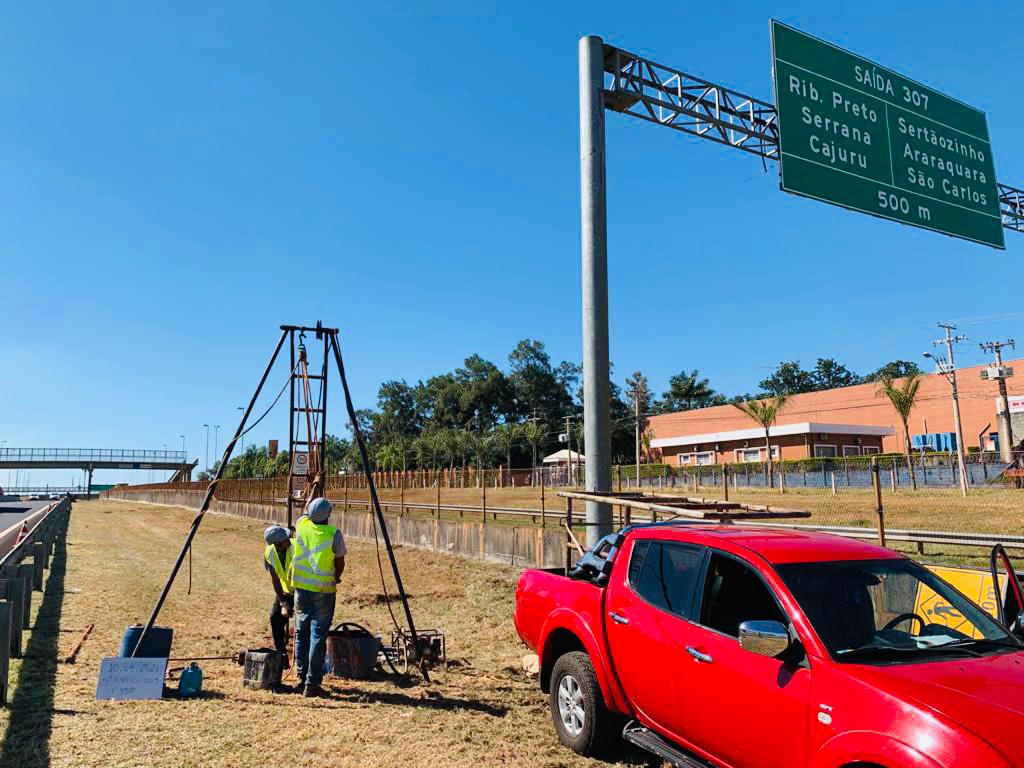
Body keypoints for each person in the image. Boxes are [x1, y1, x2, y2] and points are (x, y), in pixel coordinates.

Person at [289, 497, 346, 697]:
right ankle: (312, 684)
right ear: (329, 515)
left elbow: (306, 510)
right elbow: (340, 562)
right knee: (317, 636)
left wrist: (314, 487)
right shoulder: (334, 534)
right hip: (323, 591)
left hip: (301, 589)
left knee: (301, 631)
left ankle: (301, 676)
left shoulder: (301, 525)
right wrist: (336, 577)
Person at [263, 525, 294, 660]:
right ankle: (282, 657)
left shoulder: (296, 548)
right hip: (285, 592)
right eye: (286, 538)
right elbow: (275, 580)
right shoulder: (269, 553)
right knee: (275, 617)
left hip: (303, 591)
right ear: (277, 544)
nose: (289, 538)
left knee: (304, 625)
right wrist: (283, 603)